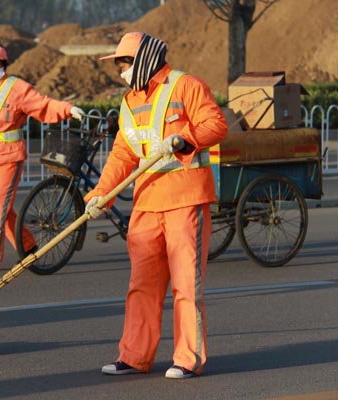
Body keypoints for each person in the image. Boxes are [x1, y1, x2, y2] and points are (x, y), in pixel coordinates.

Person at [84, 32, 227, 379]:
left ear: (145, 60)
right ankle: (134, 356)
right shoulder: (129, 101)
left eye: (125, 63)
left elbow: (216, 124)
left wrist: (184, 138)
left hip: (185, 199)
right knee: (142, 285)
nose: (121, 71)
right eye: (119, 65)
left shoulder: (186, 85)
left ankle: (187, 359)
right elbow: (123, 153)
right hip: (147, 202)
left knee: (185, 286)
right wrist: (101, 194)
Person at [0, 44, 85, 272]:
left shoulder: (17, 88)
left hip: (8, 158)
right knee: (1, 210)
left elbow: (42, 105)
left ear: (4, 65)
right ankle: (29, 247)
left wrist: (67, 109)